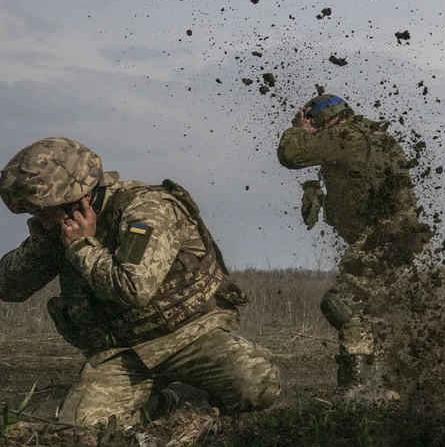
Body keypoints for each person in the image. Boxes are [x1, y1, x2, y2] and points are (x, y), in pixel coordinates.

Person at [0, 137, 280, 427]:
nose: (40, 219)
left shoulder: (146, 209)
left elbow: (134, 288)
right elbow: (9, 287)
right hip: (124, 352)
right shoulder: (61, 228)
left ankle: (193, 398)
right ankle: (162, 402)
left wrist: (82, 247)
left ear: (77, 199)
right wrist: (44, 242)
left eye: (43, 211)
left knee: (257, 385)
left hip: (191, 334)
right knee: (84, 427)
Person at [277, 94, 433, 401]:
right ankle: (387, 387)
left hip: (384, 239)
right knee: (373, 313)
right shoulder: (372, 135)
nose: (315, 130)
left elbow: (290, 154)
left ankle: (359, 385)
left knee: (341, 303)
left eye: (314, 123)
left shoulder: (345, 135)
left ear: (325, 120)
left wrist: (298, 128)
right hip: (395, 239)